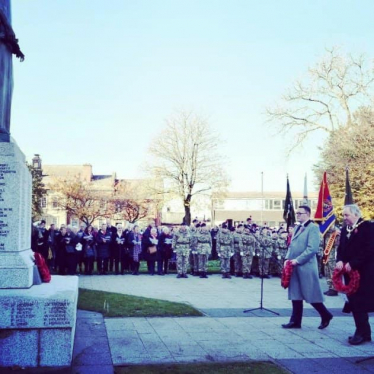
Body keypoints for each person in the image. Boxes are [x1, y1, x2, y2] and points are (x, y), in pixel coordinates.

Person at [282, 205, 333, 330]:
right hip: (293, 265)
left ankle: (325, 314)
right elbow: (292, 246)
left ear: (308, 214)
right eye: (297, 213)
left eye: (300, 213)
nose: (298, 215)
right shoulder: (297, 228)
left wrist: (298, 260)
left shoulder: (313, 228)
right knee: (296, 294)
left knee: (311, 294)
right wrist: (287, 259)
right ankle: (295, 321)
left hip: (306, 266)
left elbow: (312, 249)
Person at [336, 204, 374, 345]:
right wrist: (340, 260)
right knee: (354, 301)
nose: (344, 218)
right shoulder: (345, 228)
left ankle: (361, 332)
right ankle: (364, 332)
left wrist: (353, 263)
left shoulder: (368, 227)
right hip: (348, 272)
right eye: (343, 215)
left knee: (360, 303)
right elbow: (341, 248)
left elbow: (370, 249)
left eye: (347, 215)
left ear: (356, 214)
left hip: (364, 272)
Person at [322, 225, 340, 296]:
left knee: (332, 271)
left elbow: (337, 244)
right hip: (326, 254)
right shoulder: (324, 232)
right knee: (327, 270)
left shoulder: (336, 232)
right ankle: (330, 287)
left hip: (332, 255)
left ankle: (334, 288)